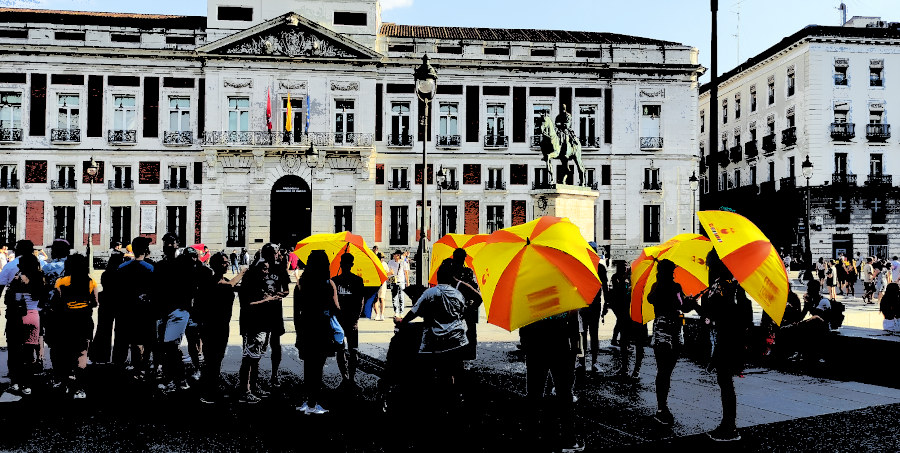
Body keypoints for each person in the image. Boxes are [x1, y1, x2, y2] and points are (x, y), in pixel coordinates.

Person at [394, 259, 473, 414]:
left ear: (438, 278)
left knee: (429, 366)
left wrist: (402, 321)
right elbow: (462, 312)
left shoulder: (432, 292)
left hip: (437, 339)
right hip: (458, 338)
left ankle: (436, 400)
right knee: (454, 369)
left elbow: (414, 311)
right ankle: (456, 398)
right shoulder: (457, 294)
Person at [701, 249, 752, 442]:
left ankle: (729, 425)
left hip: (726, 339)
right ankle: (727, 423)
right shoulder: (735, 285)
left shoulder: (720, 287)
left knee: (725, 383)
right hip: (732, 339)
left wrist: (699, 306)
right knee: (726, 382)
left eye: (710, 266)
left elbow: (713, 314)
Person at [520, 309, 582, 452]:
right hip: (561, 346)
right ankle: (569, 439)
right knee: (565, 394)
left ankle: (532, 435)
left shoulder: (529, 290)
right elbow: (573, 323)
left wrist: (525, 344)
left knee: (534, 393)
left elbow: (523, 320)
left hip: (535, 346)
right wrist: (575, 349)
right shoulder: (566, 290)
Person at [647, 259, 696, 427]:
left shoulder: (656, 286)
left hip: (660, 328)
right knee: (667, 370)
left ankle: (661, 407)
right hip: (673, 330)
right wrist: (691, 301)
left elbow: (650, 299)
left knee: (662, 370)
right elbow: (682, 306)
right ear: (670, 272)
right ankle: (663, 408)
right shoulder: (675, 287)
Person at [238, 245, 287, 403]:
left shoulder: (259, 279)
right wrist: (267, 299)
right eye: (264, 269)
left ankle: (253, 385)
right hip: (254, 323)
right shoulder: (252, 280)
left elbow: (284, 290)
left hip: (265, 320)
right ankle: (245, 390)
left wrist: (273, 296)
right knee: (250, 357)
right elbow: (248, 303)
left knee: (256, 355)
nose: (267, 273)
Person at [195, 252, 246, 403]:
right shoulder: (212, 281)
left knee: (218, 358)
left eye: (227, 262)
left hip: (223, 325)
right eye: (224, 262)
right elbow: (228, 286)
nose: (227, 264)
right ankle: (208, 392)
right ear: (215, 264)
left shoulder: (226, 280)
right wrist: (242, 272)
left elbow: (234, 287)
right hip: (211, 326)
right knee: (212, 359)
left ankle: (212, 387)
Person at [294, 249, 340, 415]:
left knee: (308, 367)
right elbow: (335, 308)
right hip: (321, 329)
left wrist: (299, 332)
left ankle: (307, 401)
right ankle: (313, 403)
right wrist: (334, 289)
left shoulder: (302, 283)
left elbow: (296, 312)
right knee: (318, 368)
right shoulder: (327, 284)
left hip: (306, 329)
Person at [52, 253, 99, 399]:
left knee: (66, 352)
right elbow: (96, 303)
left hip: (65, 321)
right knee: (82, 354)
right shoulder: (91, 282)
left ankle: (66, 384)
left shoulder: (61, 282)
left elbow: (56, 303)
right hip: (84, 320)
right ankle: (80, 388)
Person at [3, 252, 44, 396]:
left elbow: (8, 300)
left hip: (17, 318)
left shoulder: (16, 279)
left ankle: (15, 382)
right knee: (29, 353)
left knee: (14, 353)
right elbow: (42, 298)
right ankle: (27, 384)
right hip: (33, 316)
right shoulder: (39, 278)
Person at [116, 236, 156, 380]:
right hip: (145, 309)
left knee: (129, 340)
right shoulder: (151, 268)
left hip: (126, 309)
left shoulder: (122, 268)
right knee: (144, 340)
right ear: (145, 250)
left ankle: (132, 367)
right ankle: (141, 368)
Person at [333, 253, 365, 392]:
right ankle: (349, 378)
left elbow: (360, 301)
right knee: (351, 350)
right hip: (348, 320)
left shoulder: (337, 281)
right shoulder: (355, 280)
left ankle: (347, 378)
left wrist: (356, 319)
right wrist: (356, 318)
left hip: (343, 320)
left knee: (344, 350)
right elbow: (361, 302)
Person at [90, 251, 125, 363]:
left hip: (106, 302)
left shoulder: (105, 273)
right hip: (120, 302)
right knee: (120, 331)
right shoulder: (122, 273)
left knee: (103, 330)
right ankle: (118, 358)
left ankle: (101, 355)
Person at [451, 248, 482, 364]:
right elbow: (475, 288)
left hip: (454, 305)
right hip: (468, 304)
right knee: (471, 330)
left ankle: (456, 351)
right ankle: (470, 353)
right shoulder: (468, 271)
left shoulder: (450, 272)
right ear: (464, 258)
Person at [578, 261, 609, 372]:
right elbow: (604, 286)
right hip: (593, 304)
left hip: (584, 304)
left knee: (583, 334)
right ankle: (593, 362)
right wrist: (606, 303)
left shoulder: (582, 265)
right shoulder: (600, 267)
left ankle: (583, 362)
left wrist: (606, 303)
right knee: (592, 334)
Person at [387, 250, 409, 317]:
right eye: (394, 255)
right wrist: (389, 274)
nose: (394, 256)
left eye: (396, 255)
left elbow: (406, 272)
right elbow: (388, 271)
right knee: (394, 297)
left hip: (401, 281)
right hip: (394, 281)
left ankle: (401, 312)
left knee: (401, 297)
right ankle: (396, 311)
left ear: (398, 256)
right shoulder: (391, 262)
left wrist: (407, 282)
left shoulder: (403, 263)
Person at [373, 252, 388, 321]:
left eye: (382, 258)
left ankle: (382, 314)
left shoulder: (384, 264)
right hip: (375, 282)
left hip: (382, 283)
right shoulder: (374, 263)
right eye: (380, 258)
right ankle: (377, 314)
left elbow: (387, 273)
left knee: (382, 298)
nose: (381, 259)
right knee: (375, 299)